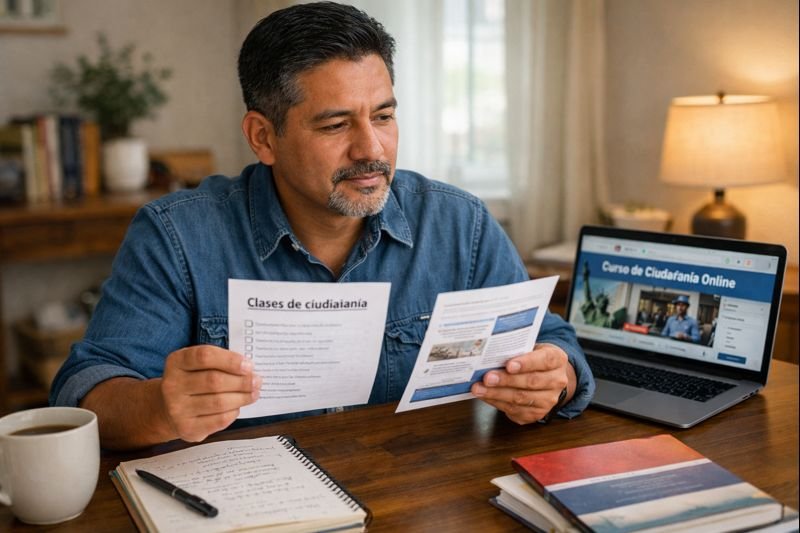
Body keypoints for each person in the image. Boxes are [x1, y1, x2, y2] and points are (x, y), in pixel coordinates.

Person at [50, 2, 594, 450]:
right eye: (336, 124)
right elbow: (85, 393)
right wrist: (158, 408)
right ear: (263, 137)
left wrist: (553, 376)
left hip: (420, 498)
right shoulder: (178, 236)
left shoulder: (459, 223)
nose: (371, 149)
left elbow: (552, 342)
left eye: (382, 116)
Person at [580, 262, 626, 329]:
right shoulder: (590, 313)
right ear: (597, 302)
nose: (603, 304)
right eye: (602, 302)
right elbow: (587, 295)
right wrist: (585, 278)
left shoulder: (607, 320)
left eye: (605, 303)